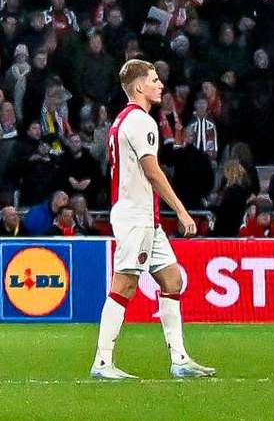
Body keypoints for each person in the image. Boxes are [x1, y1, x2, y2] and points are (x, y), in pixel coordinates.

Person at [90, 57, 210, 380]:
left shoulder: (122, 121)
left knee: (173, 280)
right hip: (136, 216)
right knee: (124, 285)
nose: (160, 84)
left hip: (145, 216)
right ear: (139, 86)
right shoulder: (142, 122)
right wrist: (182, 211)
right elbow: (152, 171)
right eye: (154, 79)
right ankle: (102, 362)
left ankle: (180, 359)